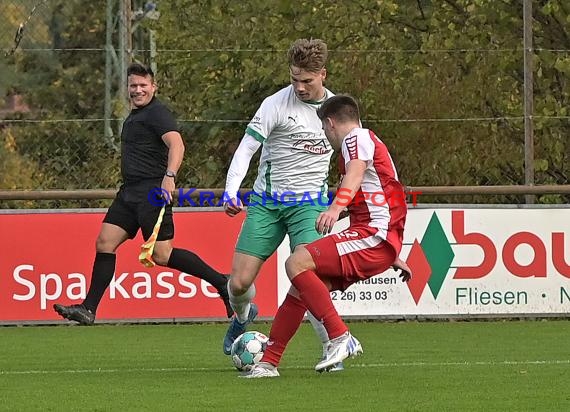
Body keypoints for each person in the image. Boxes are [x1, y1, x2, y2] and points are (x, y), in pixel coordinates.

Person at [242, 94, 412, 378]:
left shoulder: (355, 138)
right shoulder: (366, 141)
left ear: (331, 124)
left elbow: (356, 175)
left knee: (296, 263)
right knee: (301, 288)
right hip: (376, 237)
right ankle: (268, 363)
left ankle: (340, 335)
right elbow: (380, 197)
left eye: (323, 129)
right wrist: (392, 253)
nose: (324, 135)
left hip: (373, 235)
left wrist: (335, 208)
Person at [53, 63, 232, 324]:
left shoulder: (157, 113)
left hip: (152, 193)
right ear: (127, 88)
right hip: (129, 193)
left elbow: (177, 144)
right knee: (105, 242)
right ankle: (88, 309)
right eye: (133, 86)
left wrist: (169, 177)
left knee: (161, 255)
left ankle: (222, 283)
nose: (138, 90)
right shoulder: (135, 116)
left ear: (153, 87)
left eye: (143, 85)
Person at [222, 38, 344, 369]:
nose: (300, 87)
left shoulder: (339, 111)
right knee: (239, 283)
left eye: (306, 80)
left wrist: (347, 201)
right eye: (294, 79)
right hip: (267, 203)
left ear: (323, 74)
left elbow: (356, 157)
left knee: (307, 276)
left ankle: (331, 347)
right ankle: (243, 314)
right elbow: (247, 148)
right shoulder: (275, 104)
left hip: (310, 206)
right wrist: (231, 190)